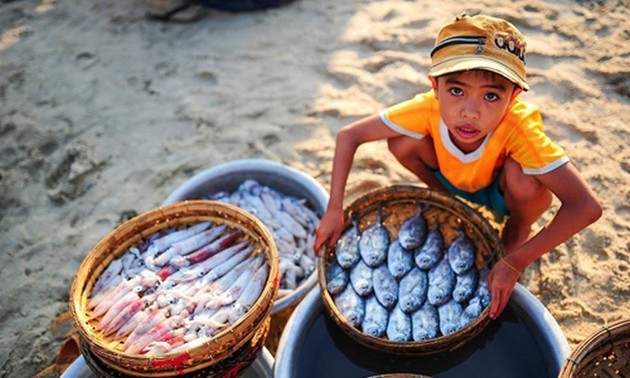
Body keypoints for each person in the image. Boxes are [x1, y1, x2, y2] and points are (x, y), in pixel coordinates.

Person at [313, 13, 602, 319]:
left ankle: (517, 228)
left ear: (513, 96)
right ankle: (446, 199)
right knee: (401, 141)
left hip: (502, 195)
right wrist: (334, 209)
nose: (470, 112)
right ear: (435, 86)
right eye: (456, 91)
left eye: (491, 95)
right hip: (449, 179)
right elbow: (350, 136)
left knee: (527, 179)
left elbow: (585, 207)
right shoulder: (427, 107)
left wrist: (516, 261)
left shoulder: (519, 127)